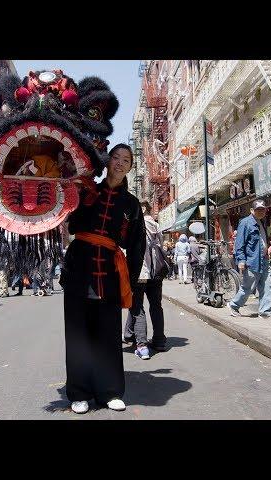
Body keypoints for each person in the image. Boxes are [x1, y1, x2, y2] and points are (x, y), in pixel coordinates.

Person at [60, 143, 145, 414]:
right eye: (116, 157)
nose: (120, 163)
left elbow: (137, 243)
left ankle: (109, 391)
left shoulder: (131, 204)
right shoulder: (87, 189)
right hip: (79, 265)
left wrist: (130, 279)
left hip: (109, 269)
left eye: (126, 160)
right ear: (107, 162)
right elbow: (70, 224)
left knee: (108, 334)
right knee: (78, 334)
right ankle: (79, 392)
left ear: (131, 167)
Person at [124, 201, 166, 360]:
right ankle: (159, 340)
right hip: (156, 271)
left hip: (140, 271)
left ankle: (142, 345)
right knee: (156, 305)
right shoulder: (155, 225)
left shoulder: (135, 224)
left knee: (137, 306)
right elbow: (161, 246)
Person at [228, 200, 271, 319]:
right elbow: (239, 243)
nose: (261, 212)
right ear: (252, 210)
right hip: (252, 261)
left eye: (262, 209)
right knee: (248, 288)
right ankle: (234, 305)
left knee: (267, 286)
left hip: (264, 260)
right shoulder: (245, 223)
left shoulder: (261, 222)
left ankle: (265, 311)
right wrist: (241, 260)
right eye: (258, 210)